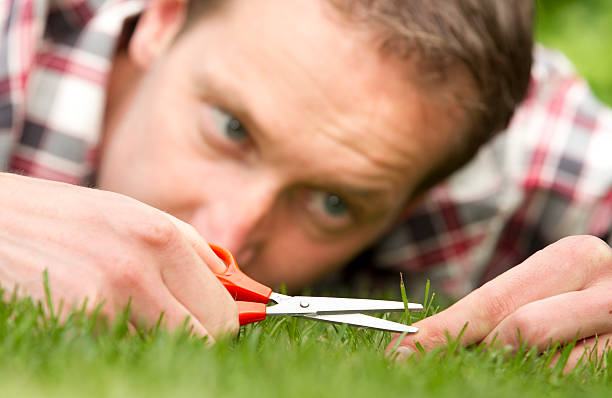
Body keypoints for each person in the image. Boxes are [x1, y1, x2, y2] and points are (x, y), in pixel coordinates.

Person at [1, 0, 610, 367]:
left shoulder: (493, 154)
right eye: (232, 127)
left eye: (333, 203)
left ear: (420, 198)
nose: (225, 233)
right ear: (165, 16)